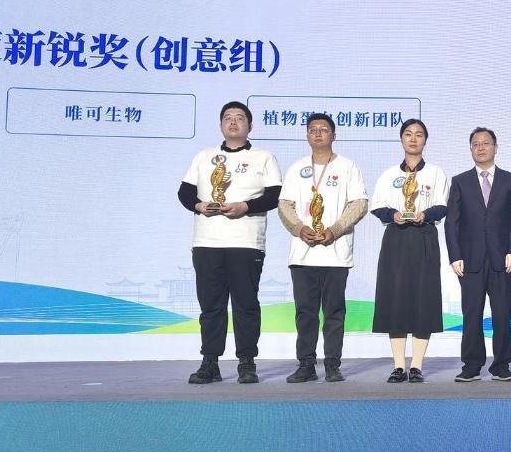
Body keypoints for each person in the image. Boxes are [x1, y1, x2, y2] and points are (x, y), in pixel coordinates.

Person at [177, 101, 281, 384]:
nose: (233, 122)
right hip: (207, 242)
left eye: (240, 118)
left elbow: (274, 196)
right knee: (211, 306)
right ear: (220, 125)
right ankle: (210, 362)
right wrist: (199, 205)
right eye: (227, 118)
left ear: (250, 125)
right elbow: (185, 192)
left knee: (246, 304)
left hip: (246, 242)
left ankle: (247, 363)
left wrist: (246, 206)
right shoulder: (204, 156)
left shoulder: (264, 157)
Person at [278, 114, 368, 384]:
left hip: (335, 254)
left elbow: (359, 203)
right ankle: (306, 364)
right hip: (303, 254)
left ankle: (332, 365)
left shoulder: (348, 167)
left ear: (333, 135)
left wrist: (335, 229)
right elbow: (284, 205)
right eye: (312, 130)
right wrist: (299, 228)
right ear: (307, 135)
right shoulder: (297, 168)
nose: (317, 133)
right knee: (305, 313)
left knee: (334, 313)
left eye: (324, 129)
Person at [370, 119, 448, 383]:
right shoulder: (389, 174)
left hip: (424, 237)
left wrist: (425, 214)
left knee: (423, 299)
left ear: (425, 140)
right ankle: (398, 366)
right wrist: (393, 214)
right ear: (401, 139)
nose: (413, 139)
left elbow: (443, 206)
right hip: (396, 238)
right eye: (408, 134)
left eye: (419, 135)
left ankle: (416, 365)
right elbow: (377, 206)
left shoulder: (435, 173)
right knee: (396, 298)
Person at [444, 127, 511, 382]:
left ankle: (501, 365)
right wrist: (455, 255)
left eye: (485, 143)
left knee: (502, 313)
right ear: (470, 149)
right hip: (470, 260)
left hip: (503, 259)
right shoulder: (460, 181)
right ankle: (471, 365)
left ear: (495, 148)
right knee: (471, 314)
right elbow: (452, 222)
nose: (480, 147)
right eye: (475, 144)